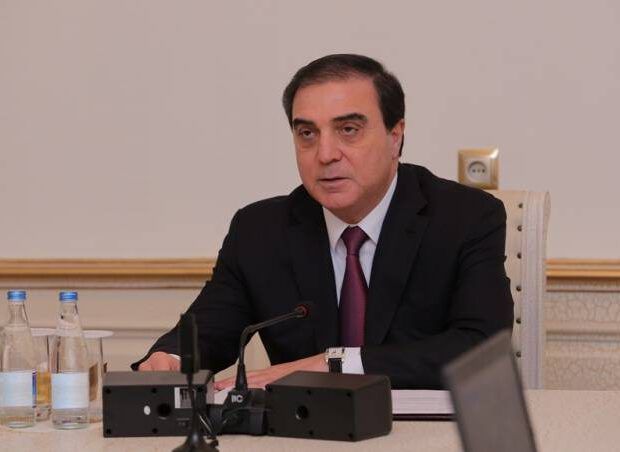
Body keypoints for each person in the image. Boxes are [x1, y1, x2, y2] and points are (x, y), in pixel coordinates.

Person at [134, 54, 513, 389]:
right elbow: (209, 327)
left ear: (395, 137)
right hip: (302, 433)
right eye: (307, 134)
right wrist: (171, 359)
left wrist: (335, 363)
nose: (326, 154)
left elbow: (479, 346)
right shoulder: (259, 230)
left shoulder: (465, 217)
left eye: (348, 130)